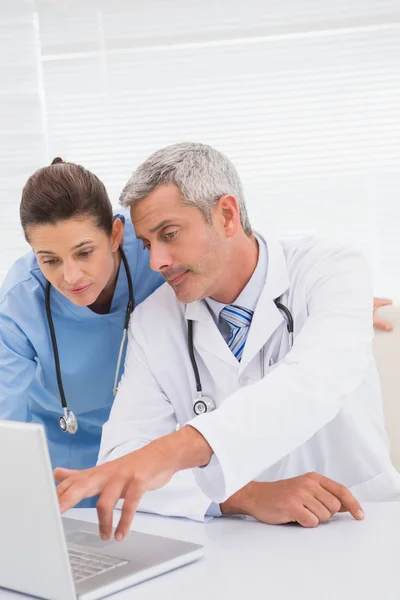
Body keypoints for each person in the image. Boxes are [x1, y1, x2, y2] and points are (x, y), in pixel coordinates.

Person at [55, 142, 400, 537]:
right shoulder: (154, 321)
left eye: (169, 234)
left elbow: (311, 384)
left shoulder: (331, 272)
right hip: (238, 539)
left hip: (361, 523)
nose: (156, 262)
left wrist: (168, 453)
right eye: (149, 244)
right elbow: (123, 463)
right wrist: (244, 497)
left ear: (226, 215)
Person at [0, 158, 163, 506]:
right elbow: (6, 421)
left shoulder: (156, 258)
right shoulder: (19, 300)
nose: (70, 276)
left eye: (84, 252)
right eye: (50, 260)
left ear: (116, 234)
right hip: (59, 463)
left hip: (149, 453)